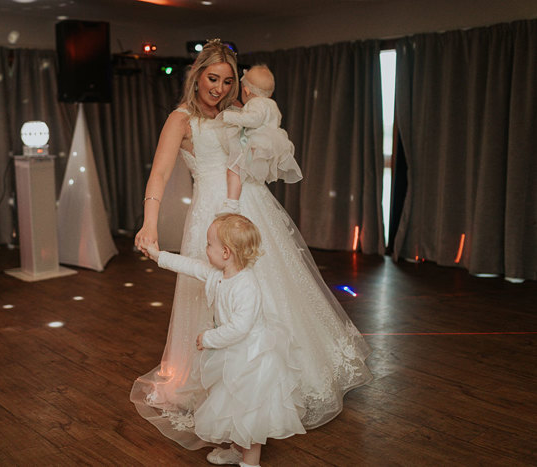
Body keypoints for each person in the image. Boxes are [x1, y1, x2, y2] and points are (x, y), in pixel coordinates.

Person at [132, 39, 372, 462]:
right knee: (213, 303)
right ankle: (226, 401)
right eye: (212, 79)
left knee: (273, 295)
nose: (219, 89)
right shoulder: (181, 119)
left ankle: (271, 388)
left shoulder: (237, 117)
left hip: (254, 209)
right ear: (197, 74)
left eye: (227, 81)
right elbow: (161, 173)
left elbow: (257, 158)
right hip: (211, 217)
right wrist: (149, 224)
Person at [143, 214, 306, 467]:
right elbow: (189, 265)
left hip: (251, 360)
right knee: (230, 405)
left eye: (209, 244)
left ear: (226, 252)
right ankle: (235, 450)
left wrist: (208, 338)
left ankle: (250, 463)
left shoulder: (246, 286)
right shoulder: (217, 273)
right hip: (230, 355)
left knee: (248, 414)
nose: (205, 248)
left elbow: (240, 328)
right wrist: (157, 255)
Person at [219, 65, 302, 214]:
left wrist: (230, 116)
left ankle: (232, 203)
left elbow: (253, 119)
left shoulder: (256, 103)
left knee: (234, 169)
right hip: (269, 144)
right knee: (248, 172)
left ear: (246, 90)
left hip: (257, 143)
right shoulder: (272, 104)